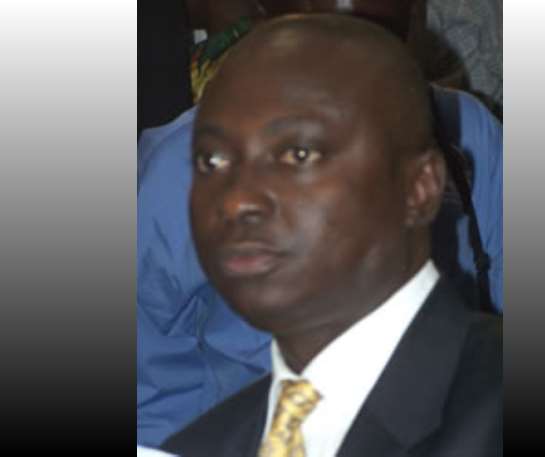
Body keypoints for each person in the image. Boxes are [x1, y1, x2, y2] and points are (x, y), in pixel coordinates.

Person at [138, 1, 503, 447]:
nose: (240, 198)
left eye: (300, 156)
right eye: (212, 161)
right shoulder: (213, 439)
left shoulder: (482, 414)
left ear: (421, 186)